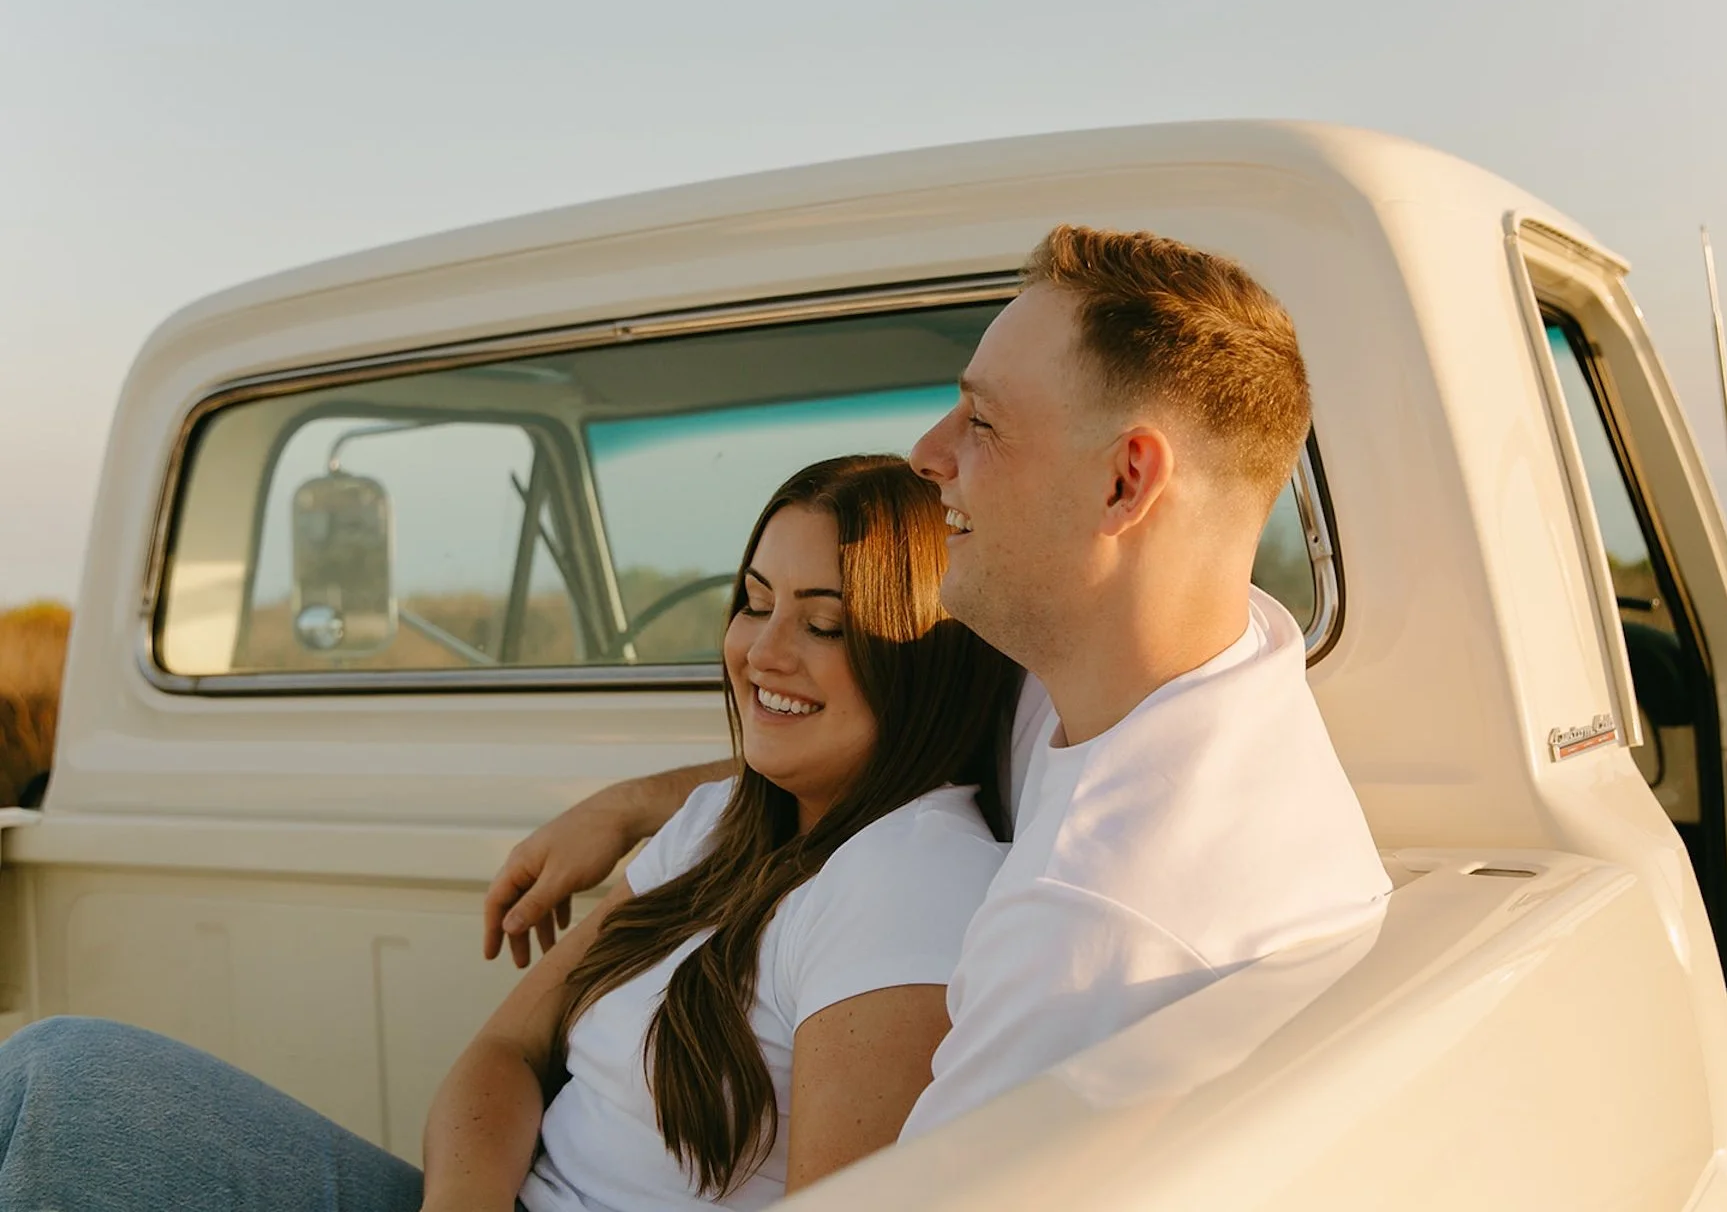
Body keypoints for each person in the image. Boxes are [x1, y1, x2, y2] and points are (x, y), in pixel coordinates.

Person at [486, 226, 1392, 1139]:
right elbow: (875, 738)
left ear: (1125, 482)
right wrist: (636, 803)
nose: (926, 451)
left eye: (983, 422)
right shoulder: (1202, 667)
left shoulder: (1085, 936)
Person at [0, 455, 1022, 1212]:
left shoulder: (907, 879)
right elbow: (505, 1049)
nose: (762, 650)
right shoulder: (723, 822)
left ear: (921, 659)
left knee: (57, 1094)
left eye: (825, 622)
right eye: (752, 603)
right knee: (59, 1077)